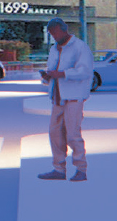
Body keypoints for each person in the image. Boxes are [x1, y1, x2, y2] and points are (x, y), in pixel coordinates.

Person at [36, 17, 92, 181]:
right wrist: (48, 76)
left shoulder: (80, 47)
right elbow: (52, 69)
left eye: (54, 33)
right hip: (57, 96)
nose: (53, 36)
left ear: (63, 29)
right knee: (55, 134)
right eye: (51, 34)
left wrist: (62, 74)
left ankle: (81, 168)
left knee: (73, 134)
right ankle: (59, 168)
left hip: (74, 97)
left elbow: (85, 71)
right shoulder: (54, 49)